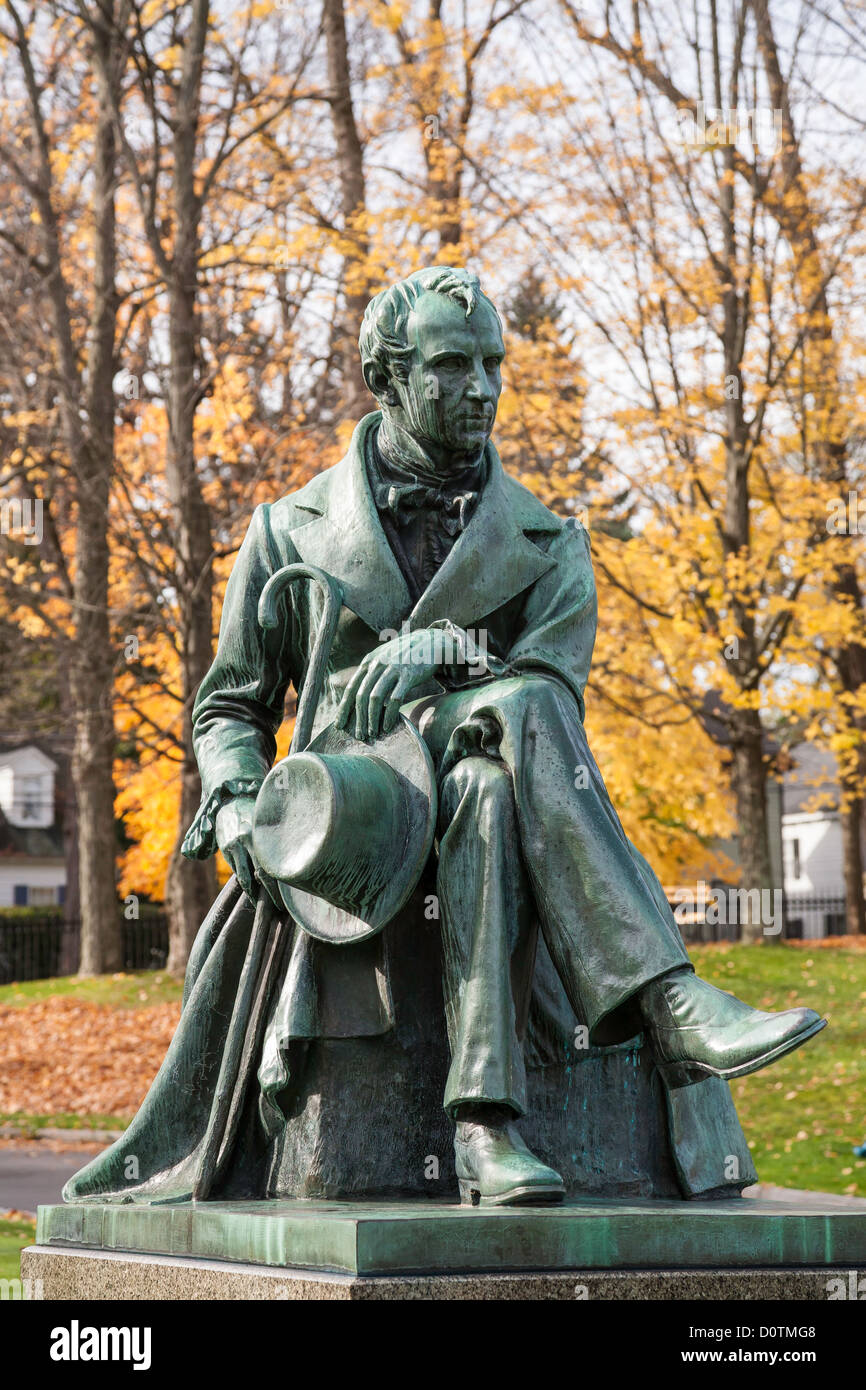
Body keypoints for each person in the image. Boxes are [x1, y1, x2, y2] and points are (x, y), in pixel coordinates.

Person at [180, 266, 825, 1206]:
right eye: (450, 365)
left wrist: (448, 659)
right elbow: (227, 708)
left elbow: (554, 699)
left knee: (495, 770)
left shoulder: (551, 541)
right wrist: (237, 802)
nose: (480, 387)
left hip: (498, 795)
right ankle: (670, 1000)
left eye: (493, 364)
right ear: (387, 378)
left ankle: (482, 1127)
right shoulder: (289, 530)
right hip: (353, 818)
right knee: (506, 733)